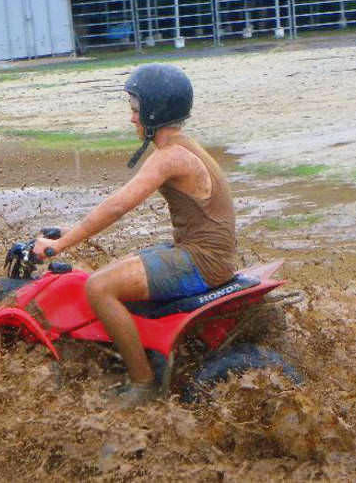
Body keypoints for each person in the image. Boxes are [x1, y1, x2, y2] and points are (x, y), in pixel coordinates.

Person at [32, 63, 236, 408]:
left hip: (201, 261)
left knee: (98, 286)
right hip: (202, 254)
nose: (132, 119)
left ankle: (144, 383)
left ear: (154, 112)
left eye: (135, 110)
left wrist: (60, 245)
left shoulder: (170, 157)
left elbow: (117, 206)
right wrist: (71, 232)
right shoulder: (182, 147)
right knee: (110, 271)